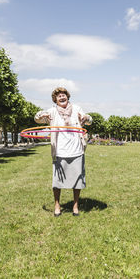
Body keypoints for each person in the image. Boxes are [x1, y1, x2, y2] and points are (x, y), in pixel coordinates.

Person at [35, 87, 92, 217]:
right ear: (55, 99)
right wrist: (41, 115)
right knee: (57, 181)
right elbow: (37, 119)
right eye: (59, 96)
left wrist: (86, 117)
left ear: (67, 97)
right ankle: (57, 205)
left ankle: (75, 206)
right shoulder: (52, 111)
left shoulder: (76, 109)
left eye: (64, 95)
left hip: (76, 150)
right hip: (60, 151)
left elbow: (89, 121)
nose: (61, 97)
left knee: (77, 180)